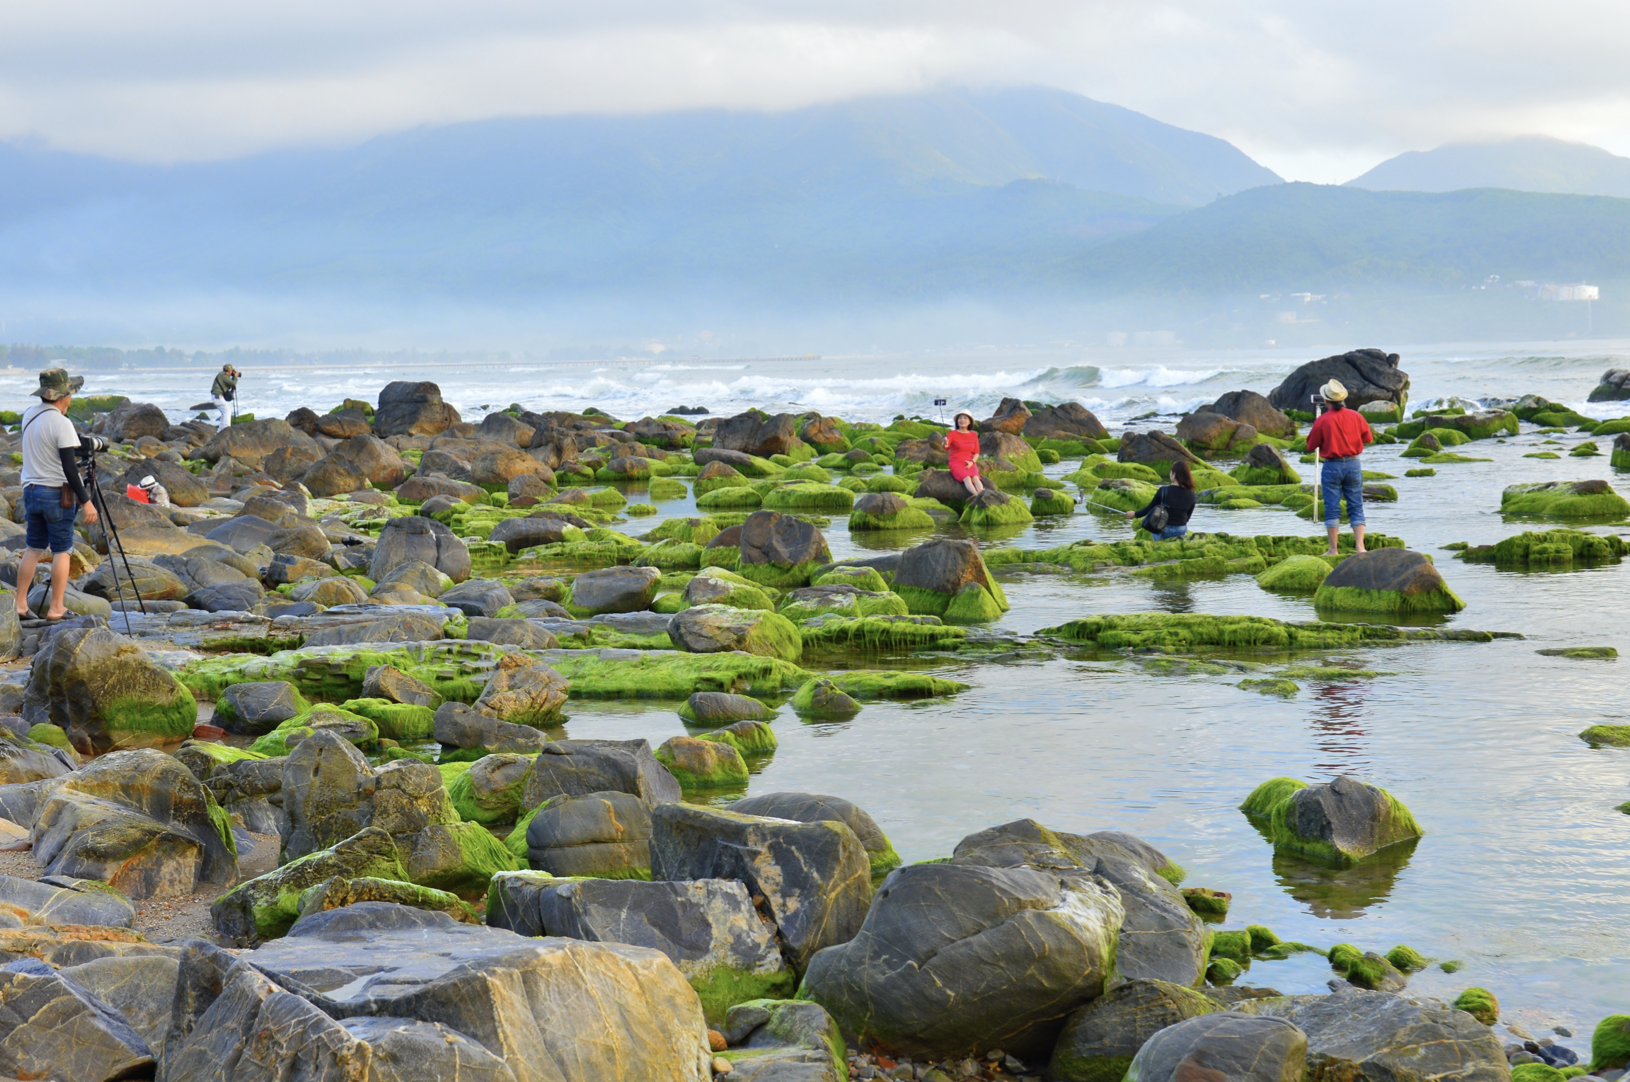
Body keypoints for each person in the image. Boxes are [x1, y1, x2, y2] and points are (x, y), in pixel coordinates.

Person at [15, 368, 99, 620]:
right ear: (63, 395)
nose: (71, 399)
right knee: (62, 550)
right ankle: (56, 608)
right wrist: (87, 502)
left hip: (30, 492)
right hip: (55, 494)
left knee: (33, 548)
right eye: (70, 394)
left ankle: (20, 605)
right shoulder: (62, 424)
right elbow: (70, 469)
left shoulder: (29, 415)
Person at [1304, 378, 1373, 555]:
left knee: (1332, 507)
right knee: (1356, 505)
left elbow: (1311, 445)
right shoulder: (1356, 416)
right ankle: (1360, 547)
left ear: (1326, 401)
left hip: (1332, 466)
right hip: (1353, 463)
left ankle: (1333, 549)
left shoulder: (1323, 420)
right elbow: (1368, 438)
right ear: (1343, 399)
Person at [1125, 458, 1198, 540]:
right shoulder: (1192, 495)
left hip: (1164, 529)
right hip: (1181, 530)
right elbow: (1187, 517)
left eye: (1171, 472)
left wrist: (1134, 514)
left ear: (1174, 475)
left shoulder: (1163, 490)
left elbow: (1150, 508)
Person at [945, 412, 985, 497]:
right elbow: (946, 446)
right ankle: (976, 496)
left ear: (969, 422)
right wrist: (944, 442)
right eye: (960, 418)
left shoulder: (974, 435)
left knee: (975, 478)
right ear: (957, 421)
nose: (962, 420)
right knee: (967, 478)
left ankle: (982, 493)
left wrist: (972, 462)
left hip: (970, 462)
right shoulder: (952, 433)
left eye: (965, 418)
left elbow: (977, 452)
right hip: (956, 462)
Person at [210, 363, 241, 432]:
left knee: (224, 412)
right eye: (232, 371)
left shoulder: (222, 375)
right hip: (217, 396)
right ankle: (226, 428)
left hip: (216, 396)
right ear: (229, 371)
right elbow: (233, 384)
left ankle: (220, 430)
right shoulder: (224, 376)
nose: (232, 372)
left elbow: (230, 384)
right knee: (227, 411)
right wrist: (235, 377)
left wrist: (233, 377)